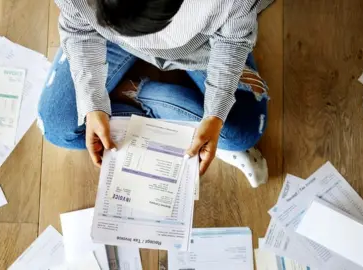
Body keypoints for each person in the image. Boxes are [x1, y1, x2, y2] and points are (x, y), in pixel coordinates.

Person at [38, 0, 273, 187]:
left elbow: (232, 42)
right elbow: (79, 28)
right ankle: (167, 115)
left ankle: (131, 92)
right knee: (58, 126)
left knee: (243, 132)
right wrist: (92, 103)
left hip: (202, 46)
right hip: (107, 40)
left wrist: (215, 116)